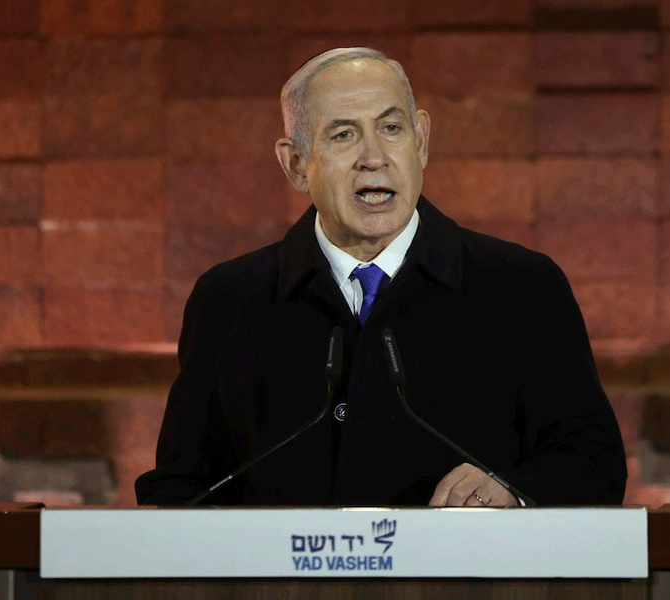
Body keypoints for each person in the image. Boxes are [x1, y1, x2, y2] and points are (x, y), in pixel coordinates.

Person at [135, 47, 626, 508]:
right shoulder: (228, 300)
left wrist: (510, 491)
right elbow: (182, 485)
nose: (374, 157)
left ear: (421, 141)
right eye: (343, 135)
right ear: (296, 164)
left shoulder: (523, 287)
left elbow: (593, 463)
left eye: (391, 128)